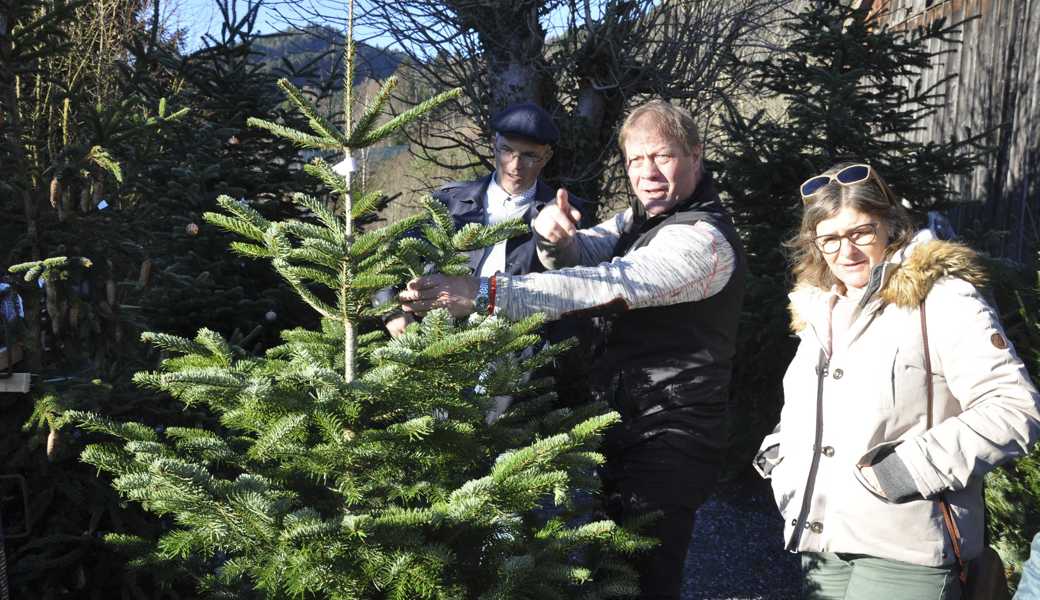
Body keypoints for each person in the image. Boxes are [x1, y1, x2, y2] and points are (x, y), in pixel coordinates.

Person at [399, 99, 747, 600]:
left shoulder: (700, 240)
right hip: (631, 422)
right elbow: (581, 253)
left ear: (695, 156)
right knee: (612, 572)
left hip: (672, 432)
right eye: (635, 160)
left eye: (662, 157)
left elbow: (602, 284)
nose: (647, 172)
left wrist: (482, 292)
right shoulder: (640, 219)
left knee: (642, 576)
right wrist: (553, 239)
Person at [754, 162, 1040, 600]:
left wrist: (906, 471)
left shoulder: (941, 298)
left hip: (907, 547)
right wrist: (781, 456)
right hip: (822, 541)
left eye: (861, 233)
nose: (845, 252)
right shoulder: (821, 308)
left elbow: (1014, 407)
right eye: (829, 239)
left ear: (889, 224)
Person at [381, 101, 591, 338]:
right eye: (507, 150)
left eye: (529, 155)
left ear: (546, 156)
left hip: (525, 359)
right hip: (442, 347)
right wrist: (391, 312)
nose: (515, 165)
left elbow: (576, 291)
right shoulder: (449, 202)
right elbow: (390, 259)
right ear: (494, 144)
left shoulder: (564, 215)